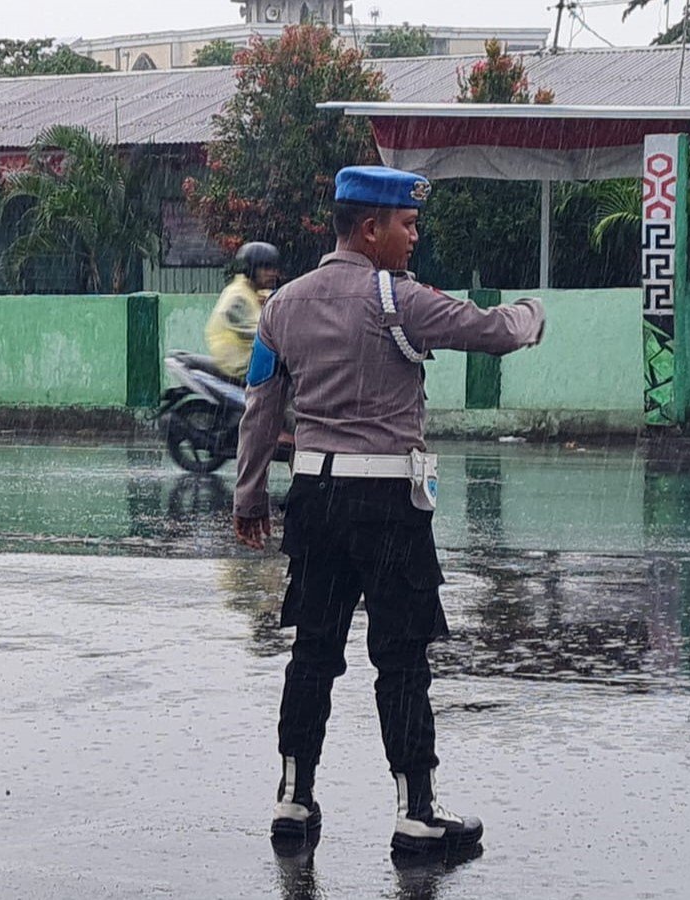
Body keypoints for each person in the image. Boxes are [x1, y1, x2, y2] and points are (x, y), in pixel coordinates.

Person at [234, 166, 546, 856]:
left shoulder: (282, 305)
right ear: (370, 229)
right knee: (401, 659)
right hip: (389, 505)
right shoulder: (400, 300)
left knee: (313, 653)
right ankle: (417, 812)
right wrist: (532, 313)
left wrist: (249, 493)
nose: (414, 238)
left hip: (314, 499)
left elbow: (261, 406)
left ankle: (292, 799)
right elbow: (493, 331)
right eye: (407, 225)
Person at [205, 242, 282, 381]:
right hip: (239, 370)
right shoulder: (237, 297)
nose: (273, 274)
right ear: (250, 269)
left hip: (254, 365)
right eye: (266, 268)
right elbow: (259, 334)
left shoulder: (253, 292)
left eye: (274, 268)